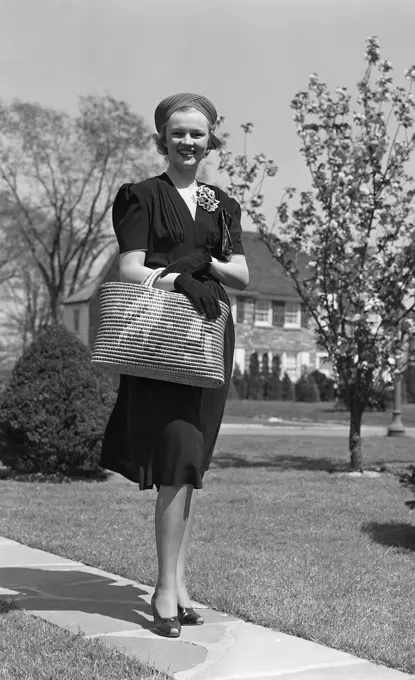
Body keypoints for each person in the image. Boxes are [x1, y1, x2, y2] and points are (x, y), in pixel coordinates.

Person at [100, 93, 249, 638]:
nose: (189, 141)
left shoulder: (221, 204)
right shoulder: (141, 196)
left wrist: (203, 263)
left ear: (212, 139)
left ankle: (179, 583)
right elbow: (128, 265)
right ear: (162, 137)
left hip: (209, 338)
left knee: (190, 470)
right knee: (175, 460)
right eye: (178, 132)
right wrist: (177, 278)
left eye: (199, 133)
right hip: (160, 341)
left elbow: (243, 275)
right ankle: (164, 591)